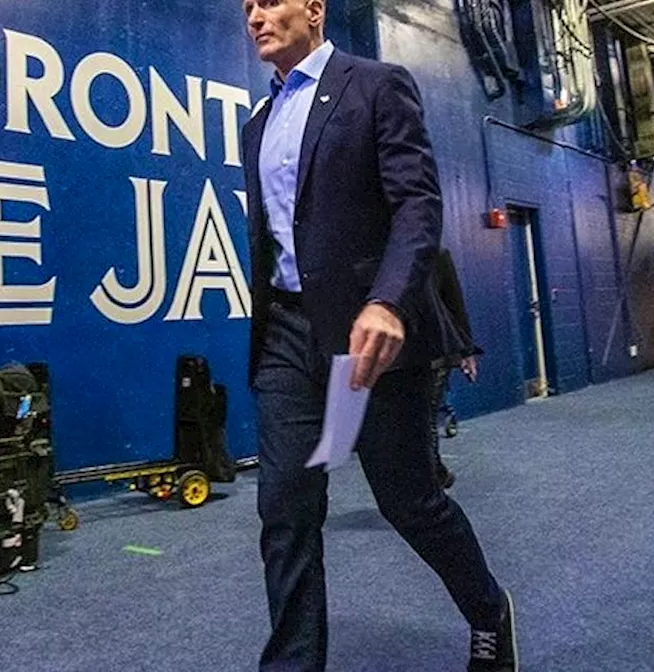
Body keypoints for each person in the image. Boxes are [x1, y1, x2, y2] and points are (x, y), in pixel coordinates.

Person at [239, 0, 518, 669]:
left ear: (313, 9)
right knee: (285, 507)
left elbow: (418, 202)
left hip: (369, 334)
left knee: (409, 502)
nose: (254, 17)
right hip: (284, 333)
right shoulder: (256, 125)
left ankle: (488, 608)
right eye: (246, 6)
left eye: (269, 1)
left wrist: (389, 300)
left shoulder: (375, 84)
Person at [430, 247, 483, 489]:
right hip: (387, 356)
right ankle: (435, 473)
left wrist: (467, 351)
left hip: (433, 352)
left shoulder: (437, 255)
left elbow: (454, 303)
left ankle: (432, 478)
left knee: (424, 421)